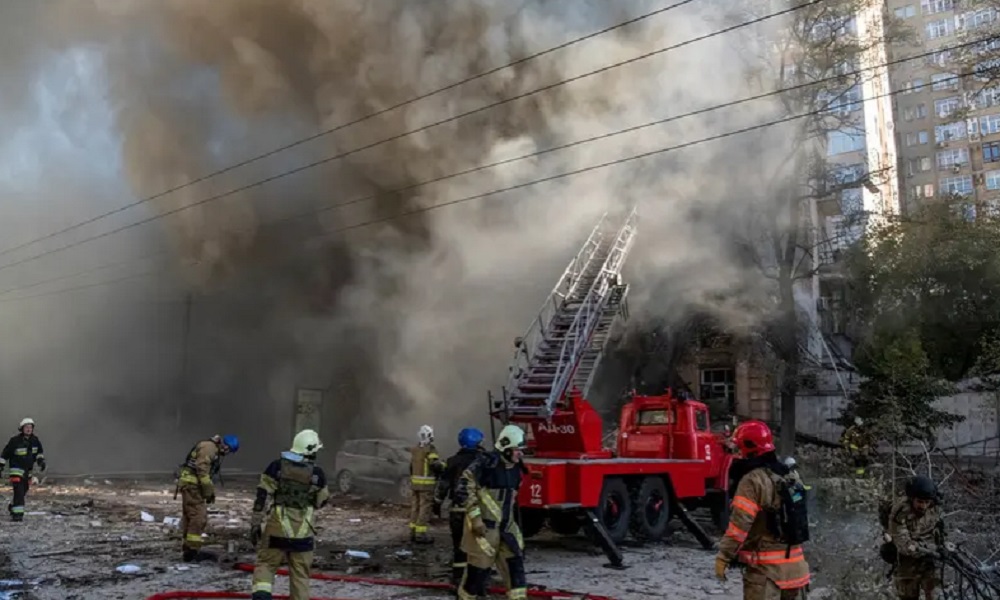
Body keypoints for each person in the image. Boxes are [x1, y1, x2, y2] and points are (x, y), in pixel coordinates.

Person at [715, 420, 811, 599]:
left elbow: (739, 525)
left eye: (738, 448)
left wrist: (724, 556)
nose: (736, 453)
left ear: (748, 448)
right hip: (798, 573)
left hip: (767, 575)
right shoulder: (790, 475)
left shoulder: (752, 481)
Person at [249, 429, 330, 600]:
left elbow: (262, 496)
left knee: (266, 564)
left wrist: (255, 523)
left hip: (277, 527)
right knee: (300, 575)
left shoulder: (276, 467)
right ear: (311, 451)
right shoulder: (317, 474)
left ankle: (262, 596)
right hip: (303, 531)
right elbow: (321, 501)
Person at [454, 424, 528, 600]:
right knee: (476, 575)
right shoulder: (486, 463)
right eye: (517, 450)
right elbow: (463, 487)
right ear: (506, 448)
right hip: (484, 530)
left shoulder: (516, 468)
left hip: (507, 529)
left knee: (516, 572)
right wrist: (475, 518)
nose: (521, 454)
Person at [435, 427, 487, 586]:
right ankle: (479, 580)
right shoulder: (484, 461)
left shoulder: (452, 461)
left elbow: (443, 485)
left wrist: (437, 502)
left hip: (457, 510)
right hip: (478, 511)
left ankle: (458, 578)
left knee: (459, 546)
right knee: (480, 545)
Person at [175, 434, 239, 561]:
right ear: (226, 446)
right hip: (192, 486)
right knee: (198, 517)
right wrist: (208, 492)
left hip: (192, 486)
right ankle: (192, 551)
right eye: (228, 450)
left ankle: (189, 549)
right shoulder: (209, 448)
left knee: (191, 516)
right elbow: (202, 472)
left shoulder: (211, 448)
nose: (226, 453)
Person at [887, 475, 945, 600]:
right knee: (908, 596)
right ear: (912, 499)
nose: (923, 506)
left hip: (930, 560)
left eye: (926, 502)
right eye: (920, 502)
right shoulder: (900, 511)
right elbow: (904, 544)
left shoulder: (935, 507)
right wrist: (927, 547)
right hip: (907, 562)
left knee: (935, 594)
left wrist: (943, 546)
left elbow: (941, 530)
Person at [0, 418, 46, 522]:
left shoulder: (35, 441)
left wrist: (41, 462)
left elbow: (39, 453)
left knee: (24, 489)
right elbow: (5, 454)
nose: (29, 429)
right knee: (19, 491)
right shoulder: (15, 441)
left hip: (27, 472)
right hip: (16, 471)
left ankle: (13, 506)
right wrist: (1, 466)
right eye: (26, 427)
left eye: (30, 427)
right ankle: (17, 514)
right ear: (22, 429)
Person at [409, 424, 444, 543]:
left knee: (415, 508)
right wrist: (444, 465)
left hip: (415, 485)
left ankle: (412, 532)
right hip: (426, 486)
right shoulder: (430, 449)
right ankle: (420, 534)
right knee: (425, 509)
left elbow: (411, 467)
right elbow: (435, 465)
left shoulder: (415, 449)